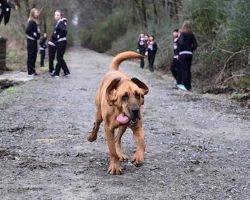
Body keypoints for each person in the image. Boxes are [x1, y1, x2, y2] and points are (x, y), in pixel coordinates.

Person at [177, 20, 198, 91]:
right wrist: (191, 50)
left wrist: (180, 50)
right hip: (189, 54)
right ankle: (189, 86)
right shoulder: (192, 35)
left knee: (184, 70)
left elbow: (180, 43)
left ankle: (185, 86)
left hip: (183, 54)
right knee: (188, 70)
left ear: (183, 26)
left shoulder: (182, 34)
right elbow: (195, 45)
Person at [51, 10, 70, 77]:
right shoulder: (59, 23)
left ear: (60, 16)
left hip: (62, 42)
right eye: (55, 15)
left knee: (59, 57)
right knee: (60, 57)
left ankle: (56, 73)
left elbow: (65, 31)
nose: (56, 16)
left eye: (58, 15)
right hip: (60, 42)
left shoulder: (61, 22)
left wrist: (58, 36)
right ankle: (66, 71)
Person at [25, 8, 40, 75]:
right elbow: (27, 31)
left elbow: (37, 34)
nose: (37, 14)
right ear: (32, 14)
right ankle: (31, 71)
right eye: (35, 12)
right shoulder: (31, 21)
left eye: (37, 12)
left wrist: (37, 34)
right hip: (31, 41)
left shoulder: (35, 22)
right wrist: (34, 34)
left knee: (34, 55)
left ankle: (32, 70)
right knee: (31, 55)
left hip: (34, 41)